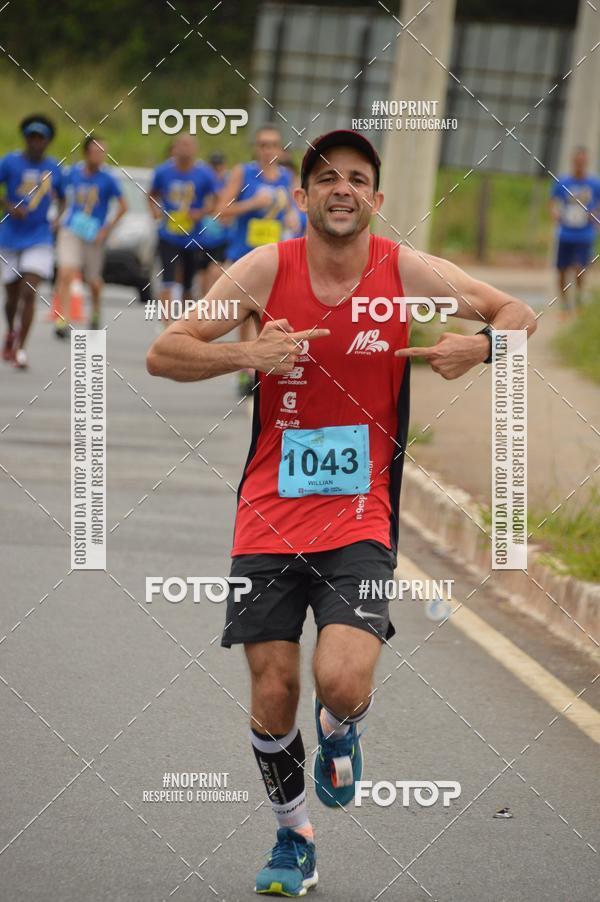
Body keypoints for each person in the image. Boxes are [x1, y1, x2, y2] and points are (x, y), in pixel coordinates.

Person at [147, 130, 537, 897]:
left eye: (357, 178)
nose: (342, 189)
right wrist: (247, 356)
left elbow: (518, 312)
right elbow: (166, 350)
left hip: (361, 515)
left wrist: (484, 347)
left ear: (376, 199)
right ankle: (294, 838)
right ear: (302, 196)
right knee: (272, 692)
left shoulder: (406, 272)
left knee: (343, 680)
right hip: (267, 514)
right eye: (326, 177)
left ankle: (340, 728)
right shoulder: (266, 269)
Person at [216, 123, 295, 397]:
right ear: (256, 148)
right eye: (263, 145)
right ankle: (246, 370)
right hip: (244, 257)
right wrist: (252, 204)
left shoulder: (288, 177)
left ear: (281, 150)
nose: (268, 150)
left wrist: (294, 217)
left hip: (276, 258)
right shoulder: (244, 173)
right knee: (247, 315)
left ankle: (263, 369)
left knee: (271, 315)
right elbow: (221, 212)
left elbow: (296, 210)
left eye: (273, 145)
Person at [0, 114, 65, 368]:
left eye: (41, 138)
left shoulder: (54, 167)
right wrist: (8, 205)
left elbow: (64, 198)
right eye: (32, 137)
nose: (36, 142)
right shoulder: (10, 162)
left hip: (39, 236)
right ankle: (11, 332)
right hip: (10, 236)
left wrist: (57, 218)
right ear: (26, 139)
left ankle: (21, 349)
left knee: (29, 290)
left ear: (47, 141)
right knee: (12, 296)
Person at [54, 135, 127, 334]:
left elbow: (123, 207)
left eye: (103, 152)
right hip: (72, 228)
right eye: (96, 151)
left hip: (94, 233)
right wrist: (58, 217)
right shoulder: (73, 173)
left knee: (93, 280)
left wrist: (106, 229)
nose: (100, 156)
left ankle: (95, 310)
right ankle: (64, 318)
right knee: (66, 272)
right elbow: (59, 194)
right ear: (86, 153)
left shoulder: (108, 179)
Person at [148, 133, 217, 320]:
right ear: (175, 148)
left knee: (188, 283)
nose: (185, 149)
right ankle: (166, 323)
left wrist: (201, 213)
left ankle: (185, 322)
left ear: (195, 149)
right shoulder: (163, 171)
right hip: (168, 234)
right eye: (182, 144)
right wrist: (155, 212)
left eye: (189, 145)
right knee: (168, 279)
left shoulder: (204, 174)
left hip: (193, 236)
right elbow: (151, 195)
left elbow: (216, 200)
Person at [550, 146, 600, 317]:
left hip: (585, 234)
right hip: (565, 233)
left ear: (586, 162)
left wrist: (595, 215)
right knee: (562, 269)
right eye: (577, 161)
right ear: (573, 161)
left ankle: (579, 301)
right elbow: (552, 201)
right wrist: (555, 213)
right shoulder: (562, 182)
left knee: (580, 268)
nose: (579, 164)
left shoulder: (594, 183)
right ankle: (564, 305)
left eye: (582, 161)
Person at [197, 151, 231, 294]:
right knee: (202, 272)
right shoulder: (203, 182)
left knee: (215, 270)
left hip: (221, 236)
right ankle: (203, 300)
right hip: (202, 235)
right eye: (213, 167)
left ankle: (210, 300)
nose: (216, 171)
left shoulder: (228, 184)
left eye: (219, 167)